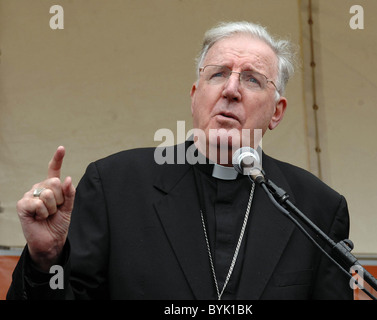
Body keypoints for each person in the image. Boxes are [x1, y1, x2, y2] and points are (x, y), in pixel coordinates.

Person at [7, 21, 352, 300]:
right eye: (217, 74)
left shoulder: (316, 209)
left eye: (252, 79)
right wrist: (45, 259)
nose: (231, 89)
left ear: (276, 112)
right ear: (195, 96)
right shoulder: (116, 186)